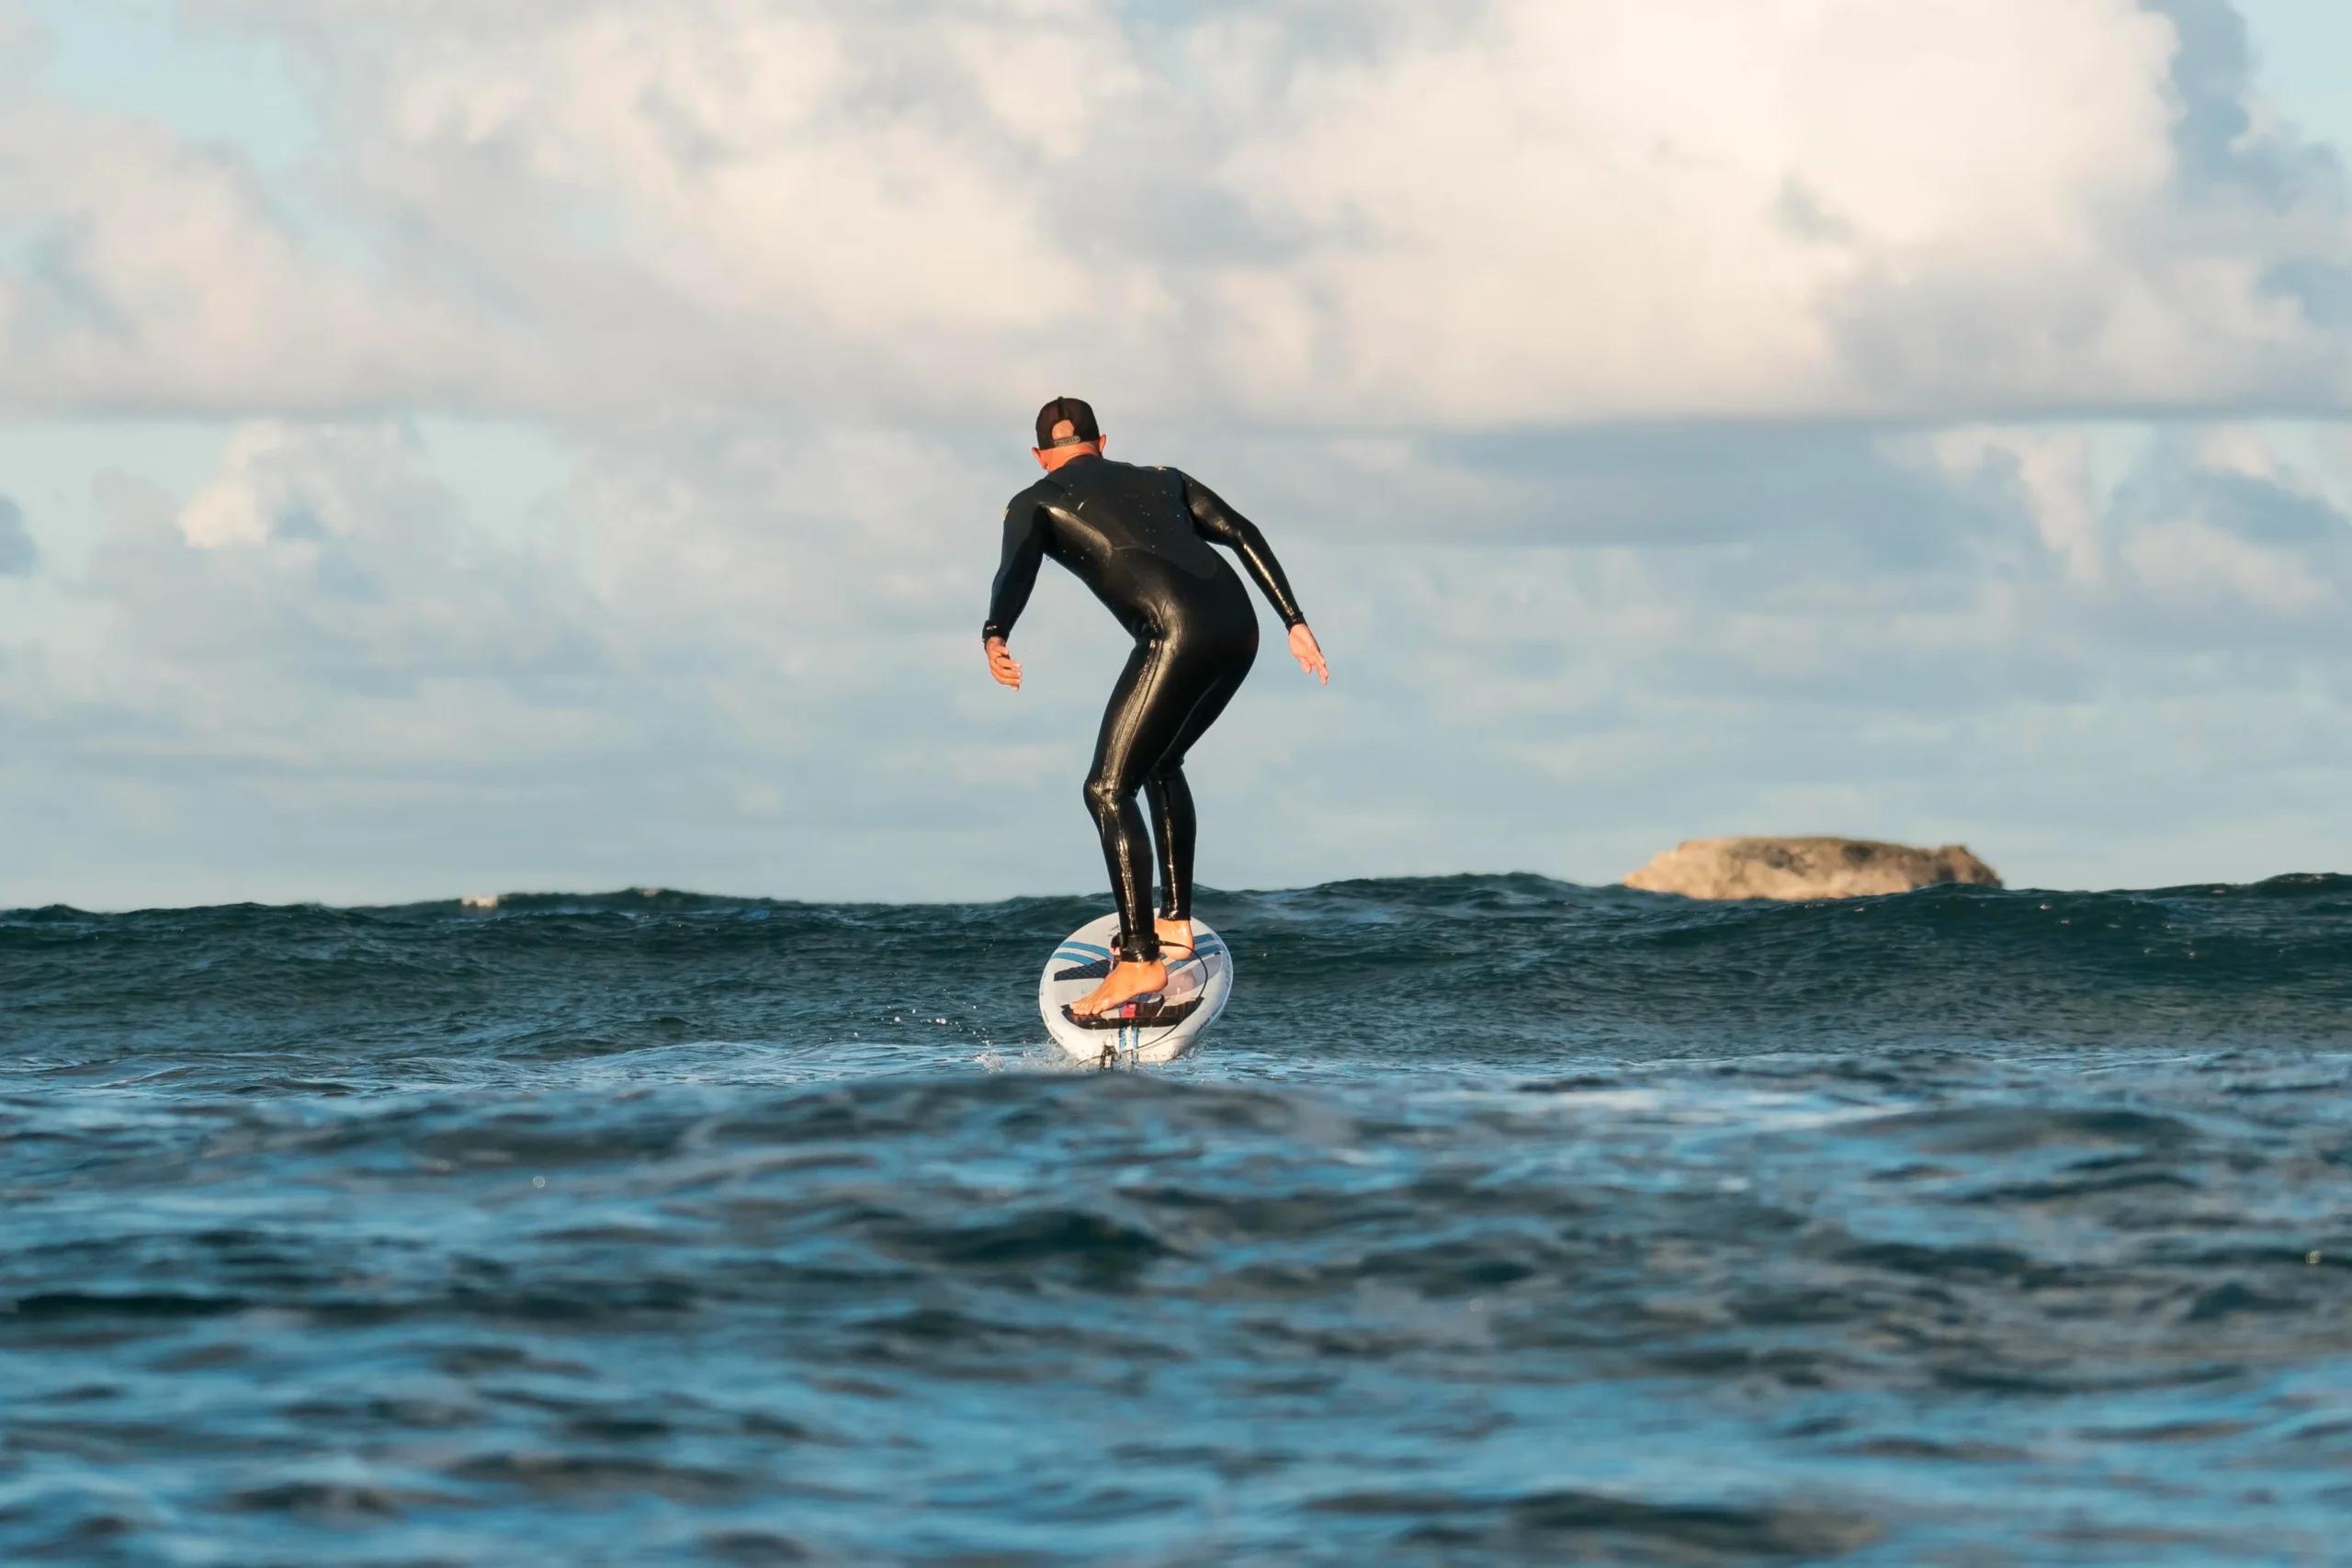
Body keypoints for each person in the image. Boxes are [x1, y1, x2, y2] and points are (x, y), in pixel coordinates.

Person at [983, 396, 1329, 1021]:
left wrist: (995, 633)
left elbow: (1016, 571)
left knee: (1106, 789)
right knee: (1162, 762)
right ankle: (1174, 924)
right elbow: (1242, 531)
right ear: (1102, 442)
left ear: (1039, 454)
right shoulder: (1164, 478)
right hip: (1240, 628)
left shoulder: (1034, 500)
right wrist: (1294, 621)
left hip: (1175, 633)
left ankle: (1141, 958)